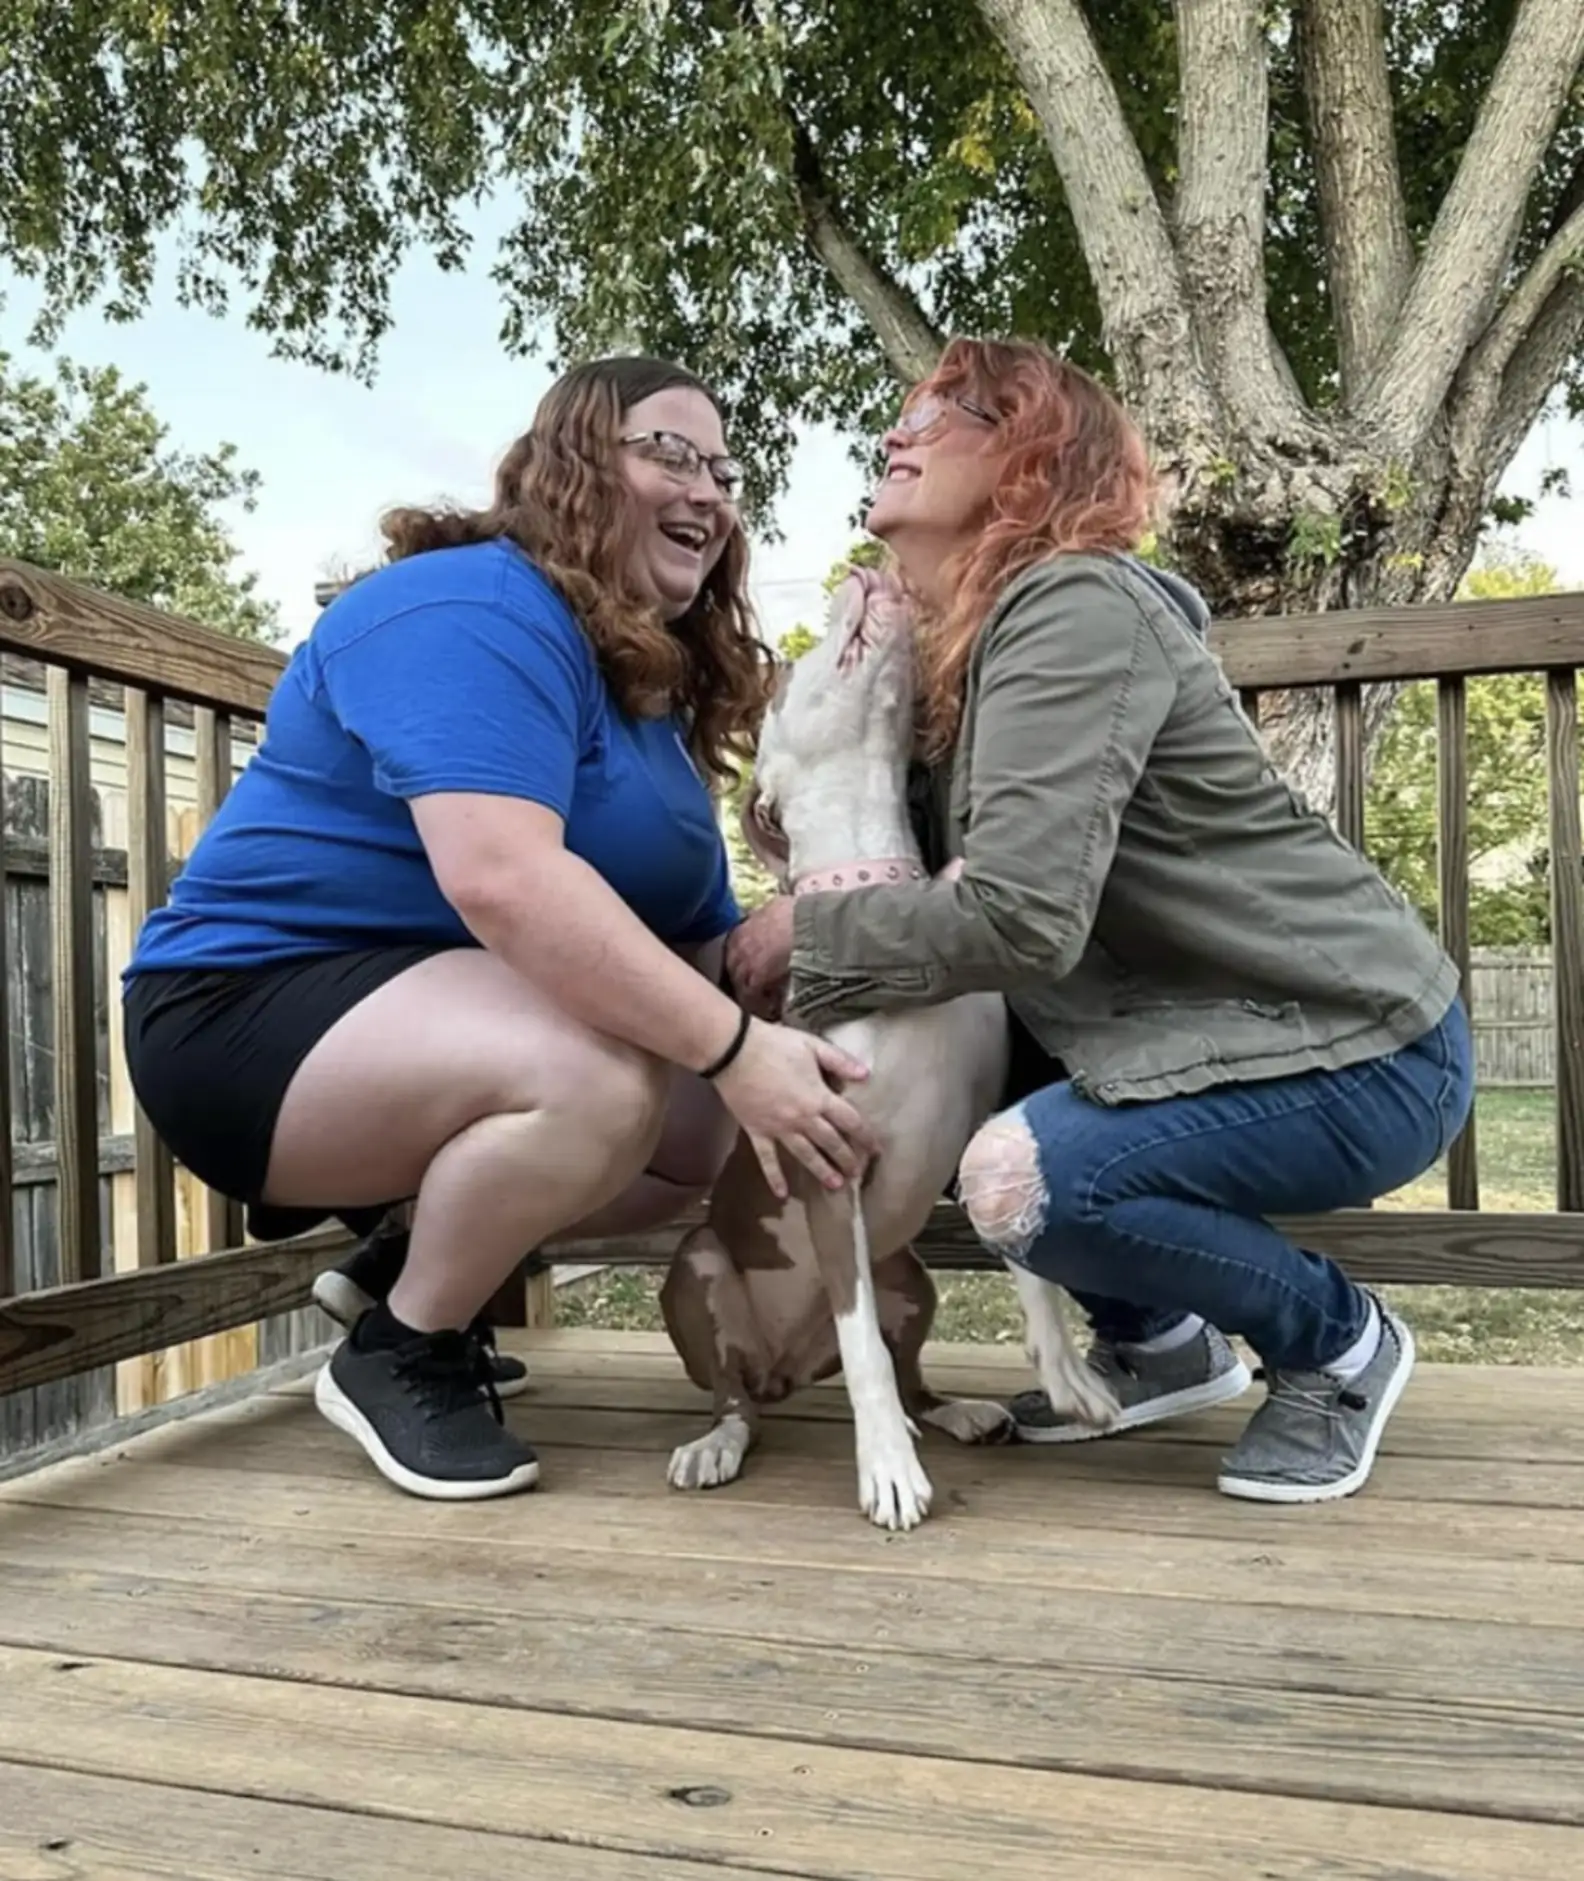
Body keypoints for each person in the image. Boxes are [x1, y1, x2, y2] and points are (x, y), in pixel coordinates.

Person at [727, 336, 1474, 1506]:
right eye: (901, 419)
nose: (894, 438)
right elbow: (921, 885)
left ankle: (1337, 1344)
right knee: (994, 1066)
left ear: (1031, 460)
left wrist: (799, 941)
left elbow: (1016, 920)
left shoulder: (1069, 606)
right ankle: (1163, 1346)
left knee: (1027, 1176)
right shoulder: (958, 660)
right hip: (1186, 1040)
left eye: (941, 417)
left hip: (1356, 1046)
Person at [122, 355, 876, 1502]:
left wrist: (806, 931)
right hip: (247, 1015)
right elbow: (505, 882)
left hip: (444, 1015)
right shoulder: (468, 606)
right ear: (572, 463)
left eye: (723, 469)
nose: (709, 492)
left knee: (708, 1127)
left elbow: (690, 941)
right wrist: (730, 1047)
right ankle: (402, 1347)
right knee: (617, 1069)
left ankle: (406, 1265)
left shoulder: (643, 695)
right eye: (668, 453)